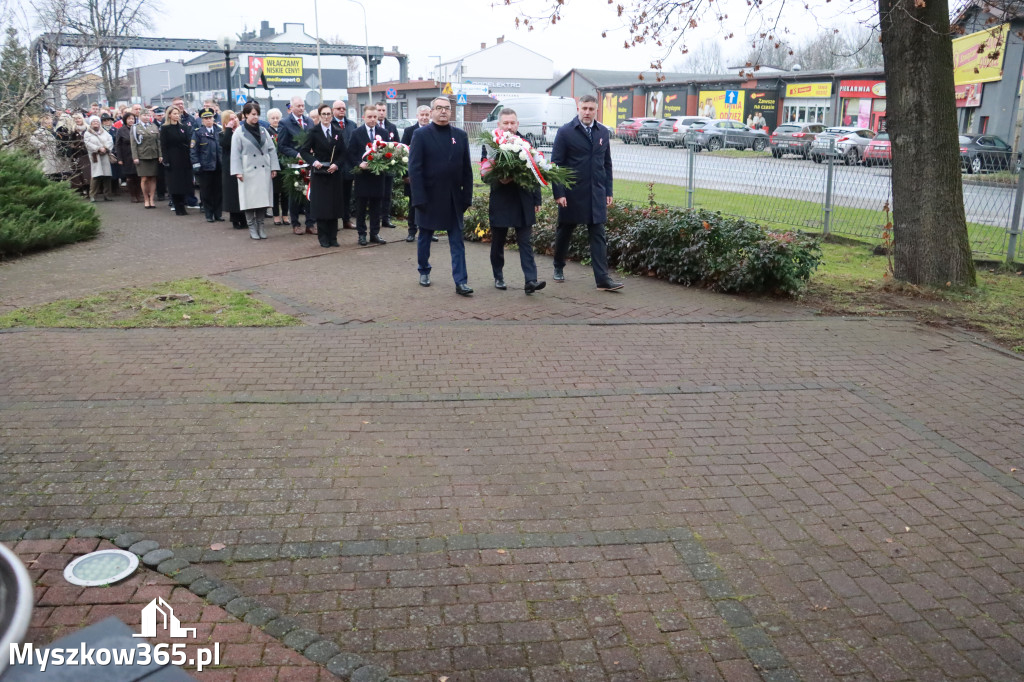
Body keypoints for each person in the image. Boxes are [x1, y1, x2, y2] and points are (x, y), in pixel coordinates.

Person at [551, 94, 623, 291]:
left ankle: (602, 279)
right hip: (572, 193)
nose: (587, 112)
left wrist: (608, 189)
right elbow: (556, 165)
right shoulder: (566, 132)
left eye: (591, 109)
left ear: (596, 110)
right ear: (578, 109)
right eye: (584, 108)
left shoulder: (603, 133)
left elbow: (606, 164)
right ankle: (558, 265)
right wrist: (559, 192)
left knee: (598, 234)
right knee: (565, 231)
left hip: (596, 193)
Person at [408, 96, 473, 295]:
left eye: (446, 108)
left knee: (456, 241)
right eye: (439, 108)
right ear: (433, 111)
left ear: (451, 112)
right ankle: (424, 269)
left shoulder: (460, 135)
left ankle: (461, 281)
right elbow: (415, 169)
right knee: (425, 237)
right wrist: (419, 198)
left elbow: (467, 169)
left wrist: (466, 197)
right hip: (429, 196)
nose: (443, 111)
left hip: (453, 198)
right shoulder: (421, 135)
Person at [481, 108, 545, 294]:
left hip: (523, 200)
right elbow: (484, 173)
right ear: (499, 125)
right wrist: (498, 178)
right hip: (501, 199)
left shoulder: (526, 142)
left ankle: (530, 281)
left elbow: (535, 172)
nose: (509, 127)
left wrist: (536, 198)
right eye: (505, 123)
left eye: (512, 123)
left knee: (525, 242)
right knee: (498, 242)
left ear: (517, 124)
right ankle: (498, 276)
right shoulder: (491, 144)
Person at [231, 101, 280, 240]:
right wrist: (238, 171)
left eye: (257, 114)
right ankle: (252, 227)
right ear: (246, 115)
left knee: (262, 201)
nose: (256, 117)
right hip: (248, 171)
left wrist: (274, 167)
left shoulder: (263, 130)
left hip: (263, 169)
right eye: (253, 114)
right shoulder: (239, 132)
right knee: (249, 201)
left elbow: (271, 149)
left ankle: (261, 226)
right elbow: (235, 154)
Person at [300, 103, 347, 248]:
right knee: (322, 207)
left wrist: (337, 164)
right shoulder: (313, 132)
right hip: (320, 174)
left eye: (328, 114)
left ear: (331, 116)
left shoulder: (338, 131)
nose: (326, 117)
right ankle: (323, 238)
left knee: (334, 206)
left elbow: (343, 153)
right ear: (319, 116)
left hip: (334, 173)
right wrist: (314, 162)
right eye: (324, 114)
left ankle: (333, 238)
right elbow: (304, 151)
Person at [346, 104, 388, 246]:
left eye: (375, 117)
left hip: (378, 176)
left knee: (377, 207)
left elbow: (389, 152)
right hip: (362, 176)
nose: (372, 120)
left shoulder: (383, 132)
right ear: (364, 117)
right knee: (361, 207)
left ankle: (374, 233)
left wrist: (383, 163)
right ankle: (362, 234)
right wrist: (359, 164)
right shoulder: (356, 133)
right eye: (369, 117)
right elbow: (350, 153)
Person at [276, 96, 314, 235]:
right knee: (295, 194)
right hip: (295, 163)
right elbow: (282, 146)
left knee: (309, 193)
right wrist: (297, 154)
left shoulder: (309, 121)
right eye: (298, 106)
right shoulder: (285, 123)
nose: (301, 108)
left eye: (303, 106)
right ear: (291, 107)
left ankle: (310, 224)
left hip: (309, 162)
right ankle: (295, 224)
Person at [400, 105, 437, 243]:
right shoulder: (409, 131)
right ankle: (411, 231)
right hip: (413, 177)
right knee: (414, 205)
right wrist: (405, 175)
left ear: (431, 115)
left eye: (427, 115)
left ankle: (429, 231)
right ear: (417, 116)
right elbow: (402, 154)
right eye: (422, 115)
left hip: (431, 177)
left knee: (431, 204)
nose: (424, 117)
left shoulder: (436, 130)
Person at [159, 105, 194, 216]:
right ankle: (177, 206)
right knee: (175, 183)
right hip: (172, 157)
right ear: (169, 115)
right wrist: (166, 160)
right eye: (174, 113)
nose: (177, 115)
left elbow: (188, 141)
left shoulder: (183, 127)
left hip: (184, 156)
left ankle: (183, 206)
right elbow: (163, 146)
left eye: (178, 114)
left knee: (184, 183)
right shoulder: (165, 128)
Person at [191, 107, 224, 222]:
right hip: (205, 167)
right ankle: (209, 214)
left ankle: (218, 214)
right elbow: (193, 151)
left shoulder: (219, 131)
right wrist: (196, 165)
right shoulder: (198, 133)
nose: (208, 120)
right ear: (202, 120)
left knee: (218, 191)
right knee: (206, 192)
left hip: (219, 166)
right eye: (206, 118)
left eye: (210, 118)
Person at [331, 100, 356, 229]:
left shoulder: (351, 125)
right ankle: (334, 222)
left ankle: (347, 220)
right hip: (335, 166)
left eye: (344, 108)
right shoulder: (330, 124)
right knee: (335, 196)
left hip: (349, 166)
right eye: (339, 108)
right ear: (333, 110)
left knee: (347, 195)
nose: (342, 110)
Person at [219, 110, 246, 229]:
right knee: (232, 193)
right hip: (229, 166)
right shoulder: (223, 134)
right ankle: (235, 219)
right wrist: (229, 129)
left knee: (243, 192)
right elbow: (225, 144)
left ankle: (245, 218)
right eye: (231, 119)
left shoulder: (243, 131)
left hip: (243, 164)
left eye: (235, 118)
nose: (234, 120)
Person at [130, 109, 162, 208]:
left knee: (153, 178)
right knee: (144, 178)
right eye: (144, 115)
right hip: (142, 156)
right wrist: (135, 157)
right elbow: (133, 144)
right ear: (140, 116)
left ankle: (152, 199)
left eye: (148, 115)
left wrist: (160, 155)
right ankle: (146, 199)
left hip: (153, 155)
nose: (146, 117)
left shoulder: (154, 126)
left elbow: (158, 142)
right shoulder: (135, 128)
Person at [376, 101, 400, 228]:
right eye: (379, 110)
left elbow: (398, 145)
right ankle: (375, 217)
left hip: (389, 166)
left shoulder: (392, 127)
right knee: (376, 193)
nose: (381, 112)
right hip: (375, 166)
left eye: (383, 110)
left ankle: (386, 218)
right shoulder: (370, 126)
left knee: (387, 193)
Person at [83, 115, 114, 202]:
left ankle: (107, 195)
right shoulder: (87, 133)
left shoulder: (104, 132)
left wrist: (105, 148)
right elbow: (88, 144)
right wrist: (98, 149)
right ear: (91, 123)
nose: (96, 123)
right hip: (95, 156)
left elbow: (110, 141)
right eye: (94, 122)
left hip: (105, 156)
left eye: (97, 121)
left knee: (107, 176)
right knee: (96, 176)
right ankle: (92, 195)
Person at [267, 108, 289, 225]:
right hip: (274, 165)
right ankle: (276, 215)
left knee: (286, 191)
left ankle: (285, 215)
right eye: (273, 118)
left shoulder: (284, 129)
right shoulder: (267, 132)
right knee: (275, 192)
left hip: (285, 164)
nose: (275, 120)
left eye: (277, 118)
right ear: (269, 120)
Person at [115, 112, 142, 203]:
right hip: (126, 156)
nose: (131, 120)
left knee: (138, 176)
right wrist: (119, 158)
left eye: (133, 119)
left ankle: (138, 194)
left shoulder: (137, 128)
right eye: (129, 119)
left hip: (138, 155)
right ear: (125, 120)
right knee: (130, 177)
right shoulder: (121, 130)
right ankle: (133, 195)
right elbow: (118, 145)